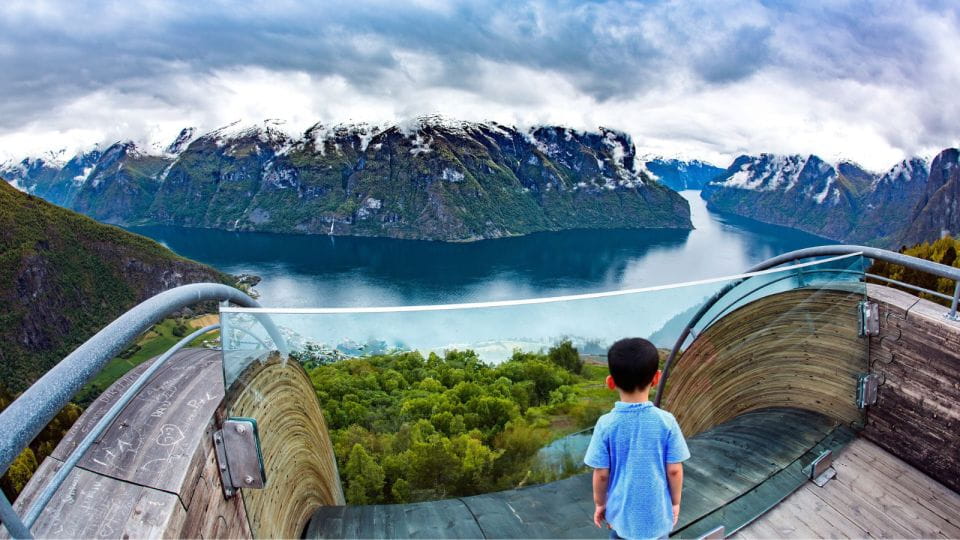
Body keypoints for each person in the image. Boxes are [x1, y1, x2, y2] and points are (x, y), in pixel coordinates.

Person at [583, 337, 690, 539]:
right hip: (658, 517)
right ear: (656, 378)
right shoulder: (667, 422)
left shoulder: (606, 424)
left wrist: (600, 503)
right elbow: (675, 470)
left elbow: (601, 473)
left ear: (610, 382)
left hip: (620, 518)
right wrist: (674, 503)